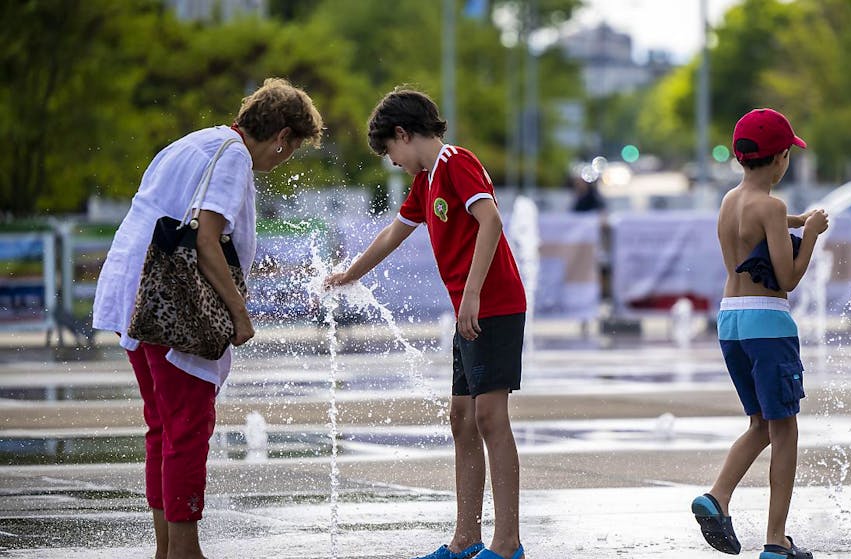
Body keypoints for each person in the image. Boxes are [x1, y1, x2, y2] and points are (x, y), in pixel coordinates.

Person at [92, 78, 323, 559]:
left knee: (162, 425)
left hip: (134, 294)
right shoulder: (234, 156)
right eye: (293, 148)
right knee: (188, 427)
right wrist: (240, 315)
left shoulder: (195, 141)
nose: (285, 159)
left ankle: (167, 548)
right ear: (283, 136)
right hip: (172, 304)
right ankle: (187, 551)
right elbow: (205, 238)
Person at [325, 88, 526, 559]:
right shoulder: (426, 180)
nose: (392, 161)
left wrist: (473, 292)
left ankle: (508, 542)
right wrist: (350, 274)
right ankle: (465, 538)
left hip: (492, 304)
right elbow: (395, 231)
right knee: (462, 419)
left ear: (403, 134)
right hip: (469, 311)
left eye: (389, 151)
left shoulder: (456, 162)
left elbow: (491, 221)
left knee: (491, 417)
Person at [691, 108, 828, 559]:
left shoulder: (731, 201)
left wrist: (794, 221)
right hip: (768, 322)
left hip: (730, 320)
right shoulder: (772, 206)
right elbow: (786, 278)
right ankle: (775, 540)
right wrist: (810, 236)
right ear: (781, 159)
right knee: (784, 427)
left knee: (760, 423)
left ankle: (717, 497)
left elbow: (755, 230)